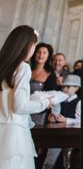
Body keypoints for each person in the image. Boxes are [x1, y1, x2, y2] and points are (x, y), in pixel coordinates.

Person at [0, 26, 53, 169]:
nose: (34, 50)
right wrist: (44, 103)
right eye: (34, 45)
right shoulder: (22, 67)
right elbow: (19, 106)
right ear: (26, 45)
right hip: (13, 134)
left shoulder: (3, 65)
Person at [43, 74, 82, 169]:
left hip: (70, 135)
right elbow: (53, 113)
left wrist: (66, 120)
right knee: (50, 159)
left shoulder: (79, 102)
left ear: (76, 88)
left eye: (68, 87)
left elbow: (80, 121)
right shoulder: (59, 100)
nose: (64, 89)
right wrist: (51, 118)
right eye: (63, 86)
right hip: (57, 134)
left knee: (68, 160)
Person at [29, 42, 56, 125]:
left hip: (40, 111)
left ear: (48, 56)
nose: (41, 55)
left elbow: (52, 94)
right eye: (38, 52)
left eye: (44, 53)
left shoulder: (50, 73)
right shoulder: (27, 69)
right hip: (24, 107)